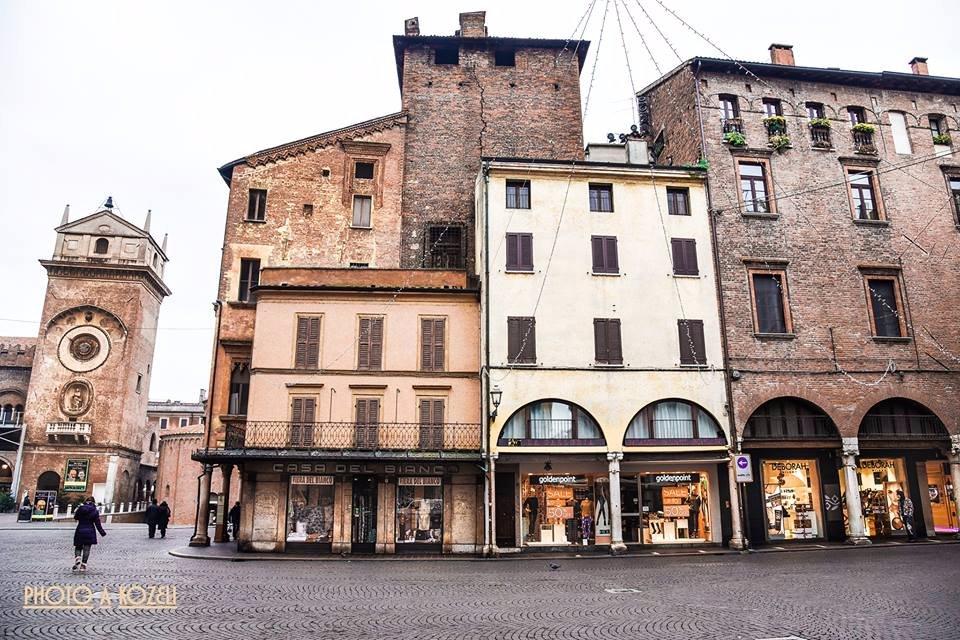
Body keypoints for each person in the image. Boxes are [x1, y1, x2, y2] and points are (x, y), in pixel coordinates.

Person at [73, 496, 106, 573]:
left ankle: (78, 558)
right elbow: (97, 523)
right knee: (87, 548)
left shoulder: (80, 508)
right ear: (93, 502)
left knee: (78, 546)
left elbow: (75, 517)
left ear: (86, 501)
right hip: (90, 531)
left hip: (80, 529)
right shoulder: (94, 511)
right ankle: (83, 566)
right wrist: (102, 532)